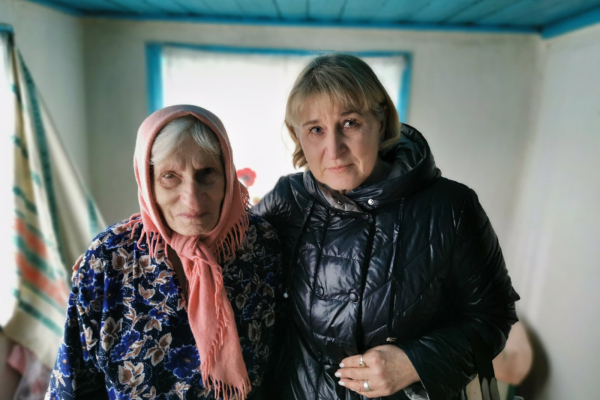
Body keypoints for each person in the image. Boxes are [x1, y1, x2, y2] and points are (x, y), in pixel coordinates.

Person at [254, 53, 520, 400]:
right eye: (316, 129)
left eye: (350, 123)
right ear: (297, 135)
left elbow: (493, 315)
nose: (334, 150)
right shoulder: (288, 200)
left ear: (381, 119)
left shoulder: (451, 207)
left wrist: (416, 362)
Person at [46, 105, 283, 400]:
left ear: (227, 175)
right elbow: (73, 382)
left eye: (207, 173)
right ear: (148, 183)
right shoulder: (109, 260)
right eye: (170, 176)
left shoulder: (260, 245)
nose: (192, 198)